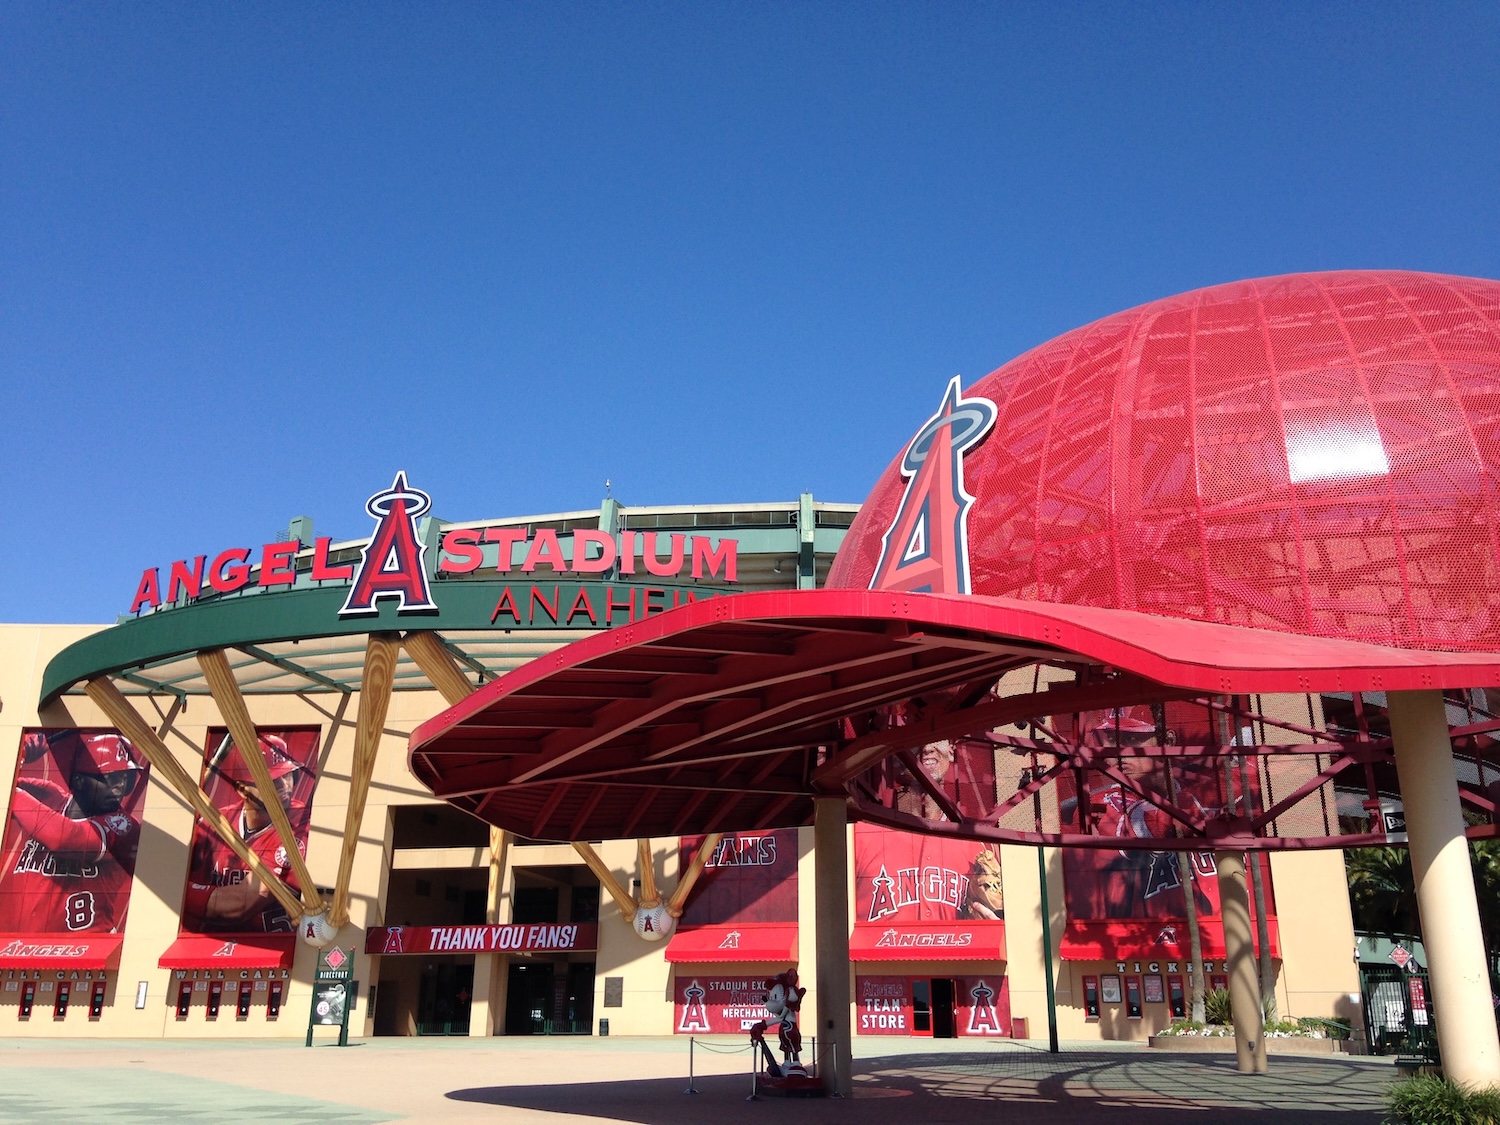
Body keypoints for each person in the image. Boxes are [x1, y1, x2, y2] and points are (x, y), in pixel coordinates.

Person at [0, 731, 146, 933]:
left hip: (87, 950)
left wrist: (8, 791)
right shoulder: (48, 796)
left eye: (125, 777)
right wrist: (17, 753)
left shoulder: (124, 827)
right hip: (22, 948)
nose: (119, 785)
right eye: (109, 777)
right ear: (79, 780)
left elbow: (65, 839)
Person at [181, 734, 308, 933]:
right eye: (272, 780)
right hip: (208, 950)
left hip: (273, 950)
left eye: (288, 775)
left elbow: (242, 903)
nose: (285, 786)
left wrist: (175, 892)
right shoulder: (215, 821)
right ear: (242, 789)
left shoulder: (301, 825)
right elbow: (169, 863)